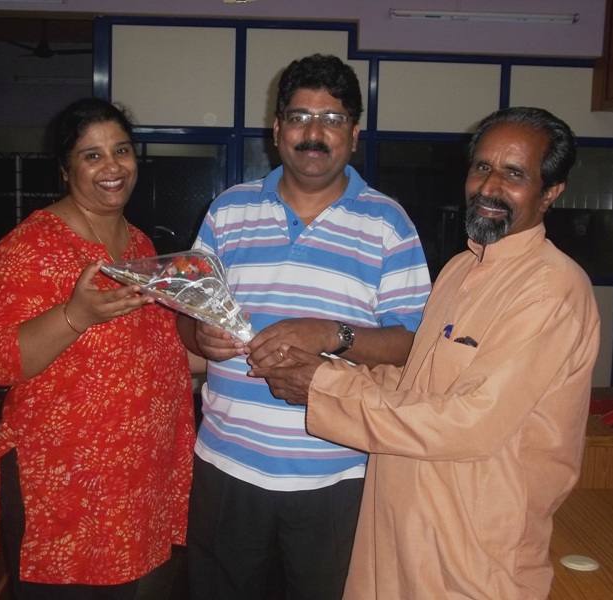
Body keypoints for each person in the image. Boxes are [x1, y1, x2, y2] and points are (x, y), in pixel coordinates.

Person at [250, 106, 601, 599]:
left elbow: (470, 422)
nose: (489, 186)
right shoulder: (459, 270)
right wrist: (322, 371)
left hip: (472, 551)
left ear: (551, 192)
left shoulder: (551, 290)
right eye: (482, 167)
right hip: (397, 529)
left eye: (514, 174)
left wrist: (325, 387)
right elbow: (415, 382)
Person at [178, 54, 431, 600]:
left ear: (354, 135)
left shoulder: (390, 224)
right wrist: (199, 335)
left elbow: (414, 344)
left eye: (333, 119)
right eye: (299, 117)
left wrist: (333, 333)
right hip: (227, 464)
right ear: (277, 130)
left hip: (338, 472)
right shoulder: (227, 212)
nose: (314, 134)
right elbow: (188, 312)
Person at [0, 98, 200, 600]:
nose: (112, 166)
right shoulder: (31, 246)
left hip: (133, 486)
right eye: (92, 155)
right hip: (62, 486)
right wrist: (76, 315)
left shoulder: (141, 246)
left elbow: (154, 349)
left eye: (122, 150)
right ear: (65, 168)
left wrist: (218, 345)